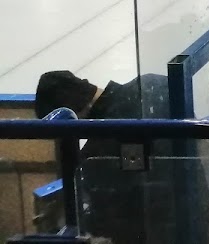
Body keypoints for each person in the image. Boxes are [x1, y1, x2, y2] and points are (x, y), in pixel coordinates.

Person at [35, 69, 180, 243]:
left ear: (73, 113)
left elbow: (107, 224)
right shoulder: (153, 84)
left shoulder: (96, 153)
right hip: (194, 217)